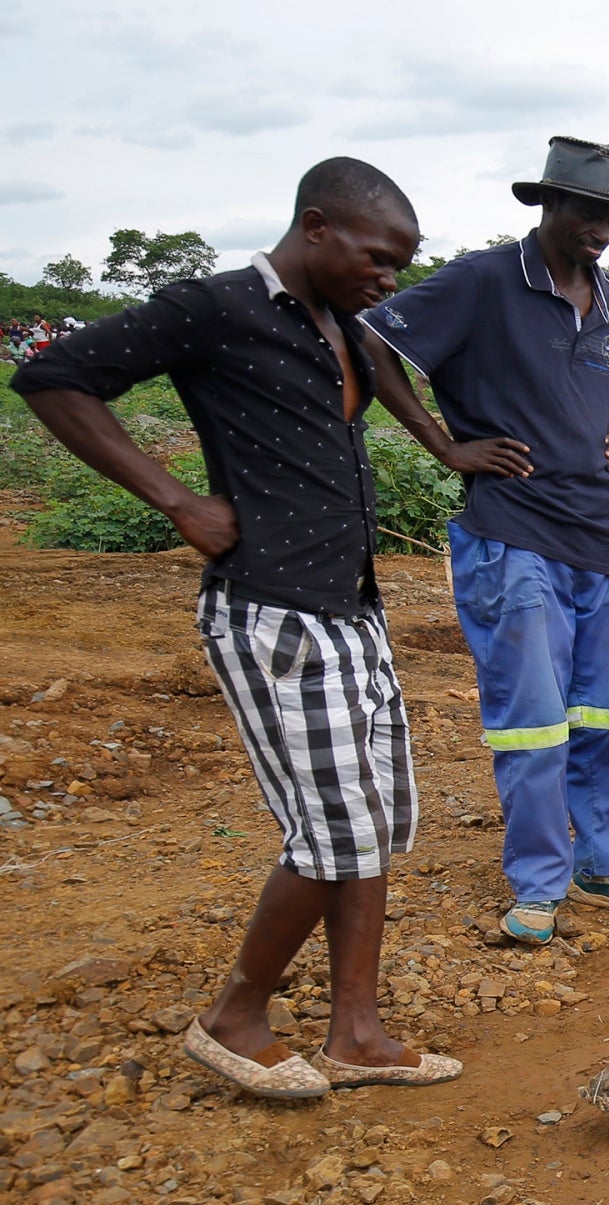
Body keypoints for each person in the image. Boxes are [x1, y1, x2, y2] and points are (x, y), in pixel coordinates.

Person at [11, 158, 460, 1099]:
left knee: (375, 819)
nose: (389, 278)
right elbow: (54, 376)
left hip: (352, 604)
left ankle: (357, 1032)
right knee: (336, 824)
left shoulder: (344, 325)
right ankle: (234, 1015)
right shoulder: (214, 307)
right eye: (379, 259)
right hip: (271, 608)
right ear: (316, 227)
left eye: (400, 266)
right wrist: (177, 500)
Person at [362, 135, 609, 944]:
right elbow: (375, 344)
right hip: (513, 532)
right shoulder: (485, 280)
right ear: (546, 204)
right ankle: (538, 883)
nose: (601, 229)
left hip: (602, 536)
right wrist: (444, 446)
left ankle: (608, 866)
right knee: (533, 722)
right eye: (586, 211)